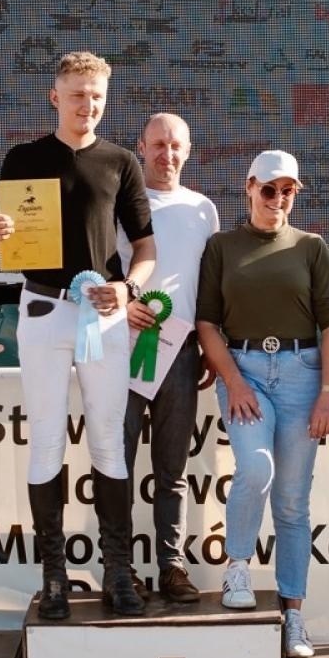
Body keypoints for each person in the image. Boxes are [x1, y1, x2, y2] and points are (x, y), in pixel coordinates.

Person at [0, 51, 156, 620]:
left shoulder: (122, 161)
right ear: (56, 96)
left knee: (108, 438)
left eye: (97, 95)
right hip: (42, 313)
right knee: (48, 439)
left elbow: (145, 248)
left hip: (103, 314)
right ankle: (53, 577)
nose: (88, 104)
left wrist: (128, 289)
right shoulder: (24, 158)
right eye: (77, 94)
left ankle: (118, 573)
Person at [196, 150, 329, 658]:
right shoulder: (222, 246)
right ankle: (237, 565)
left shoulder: (312, 247)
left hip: (303, 377)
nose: (278, 199)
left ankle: (294, 616)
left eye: (288, 191)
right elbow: (207, 323)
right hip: (246, 372)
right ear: (249, 187)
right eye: (269, 189)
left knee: (292, 504)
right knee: (254, 468)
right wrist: (233, 381)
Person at [119, 113, 220, 603]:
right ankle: (118, 570)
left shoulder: (204, 209)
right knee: (115, 463)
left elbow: (209, 286)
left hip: (181, 353)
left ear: (189, 149)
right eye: (157, 144)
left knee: (172, 470)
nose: (167, 154)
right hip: (122, 350)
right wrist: (123, 307)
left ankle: (172, 566)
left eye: (175, 144)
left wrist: (207, 346)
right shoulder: (121, 201)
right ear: (141, 147)